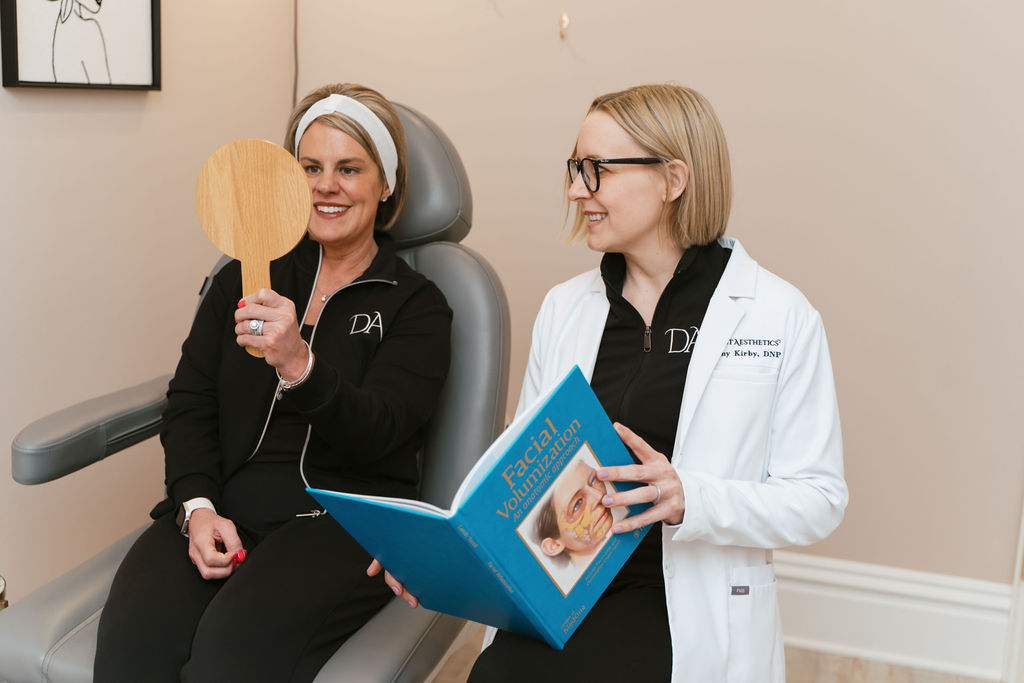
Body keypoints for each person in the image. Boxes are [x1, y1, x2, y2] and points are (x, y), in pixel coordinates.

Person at [376, 83, 847, 682]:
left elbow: (818, 499)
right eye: (576, 169)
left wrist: (688, 497)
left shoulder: (777, 315)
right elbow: (520, 483)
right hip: (564, 592)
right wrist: (437, 561)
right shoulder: (566, 308)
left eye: (596, 170)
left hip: (679, 605)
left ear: (673, 179)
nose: (577, 191)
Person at [94, 83, 452, 682]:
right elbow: (190, 403)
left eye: (349, 168)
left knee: (226, 662)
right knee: (134, 647)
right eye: (310, 167)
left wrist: (299, 365)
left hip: (337, 527)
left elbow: (381, 433)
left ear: (386, 184)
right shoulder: (243, 275)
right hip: (227, 504)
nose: (326, 186)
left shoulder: (417, 305)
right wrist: (198, 507)